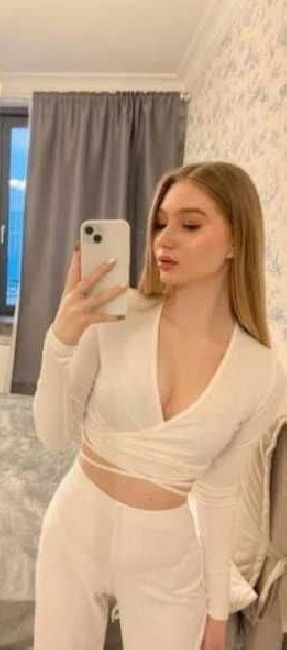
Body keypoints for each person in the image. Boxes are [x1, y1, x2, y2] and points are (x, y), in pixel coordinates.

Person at [32, 161, 287, 650]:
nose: (163, 240)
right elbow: (53, 434)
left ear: (236, 241)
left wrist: (217, 612)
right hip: (74, 530)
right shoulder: (117, 315)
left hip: (167, 556)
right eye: (159, 223)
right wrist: (61, 338)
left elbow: (219, 494)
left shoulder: (261, 372)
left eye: (190, 225)